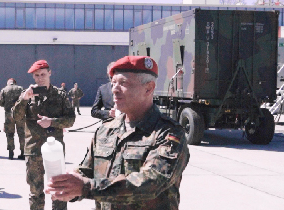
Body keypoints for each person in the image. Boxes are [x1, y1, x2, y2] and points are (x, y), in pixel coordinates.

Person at [45, 56, 190, 210]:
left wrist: (85, 187)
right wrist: (68, 185)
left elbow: (151, 182)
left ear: (149, 88)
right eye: (113, 83)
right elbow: (87, 170)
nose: (114, 89)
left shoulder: (168, 133)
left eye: (123, 83)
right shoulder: (106, 130)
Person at [13, 60, 75, 210]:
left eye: (43, 74)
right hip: (33, 150)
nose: (40, 78)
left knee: (59, 190)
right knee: (35, 192)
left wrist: (52, 122)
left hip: (55, 151)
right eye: (36, 75)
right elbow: (16, 117)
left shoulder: (60, 95)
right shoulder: (27, 95)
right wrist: (24, 99)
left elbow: (70, 120)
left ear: (49, 73)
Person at [0, 78, 25, 160]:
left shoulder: (4, 90)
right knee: (22, 134)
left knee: (9, 134)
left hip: (9, 114)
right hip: (20, 114)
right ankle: (23, 152)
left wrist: (7, 106)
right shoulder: (20, 89)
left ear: (8, 83)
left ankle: (10, 152)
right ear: (15, 83)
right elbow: (25, 100)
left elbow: (0, 102)